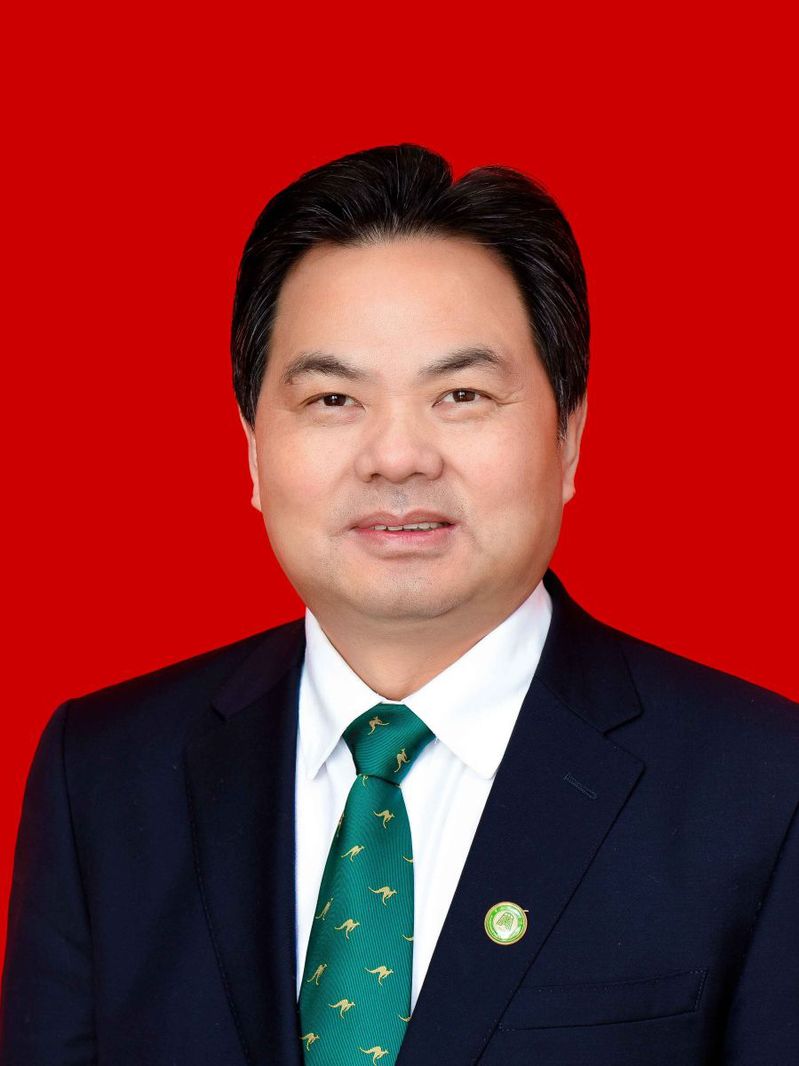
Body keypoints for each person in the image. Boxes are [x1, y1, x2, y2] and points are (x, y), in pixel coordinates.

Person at [1, 143, 796, 1066]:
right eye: (333, 398)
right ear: (252, 448)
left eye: (461, 394)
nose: (396, 458)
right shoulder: (104, 777)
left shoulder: (763, 789)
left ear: (568, 436)